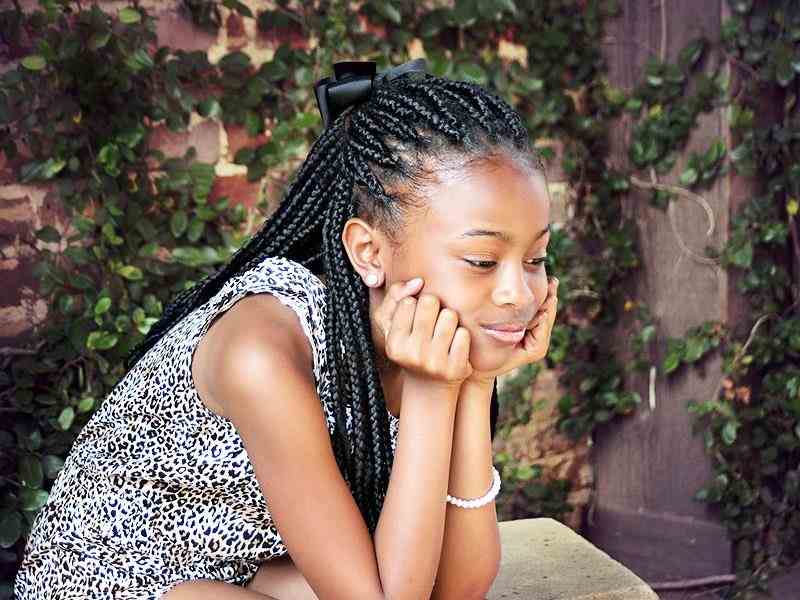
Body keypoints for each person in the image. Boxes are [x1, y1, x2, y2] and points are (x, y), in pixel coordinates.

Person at [14, 58, 558, 599]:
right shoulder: (264, 351)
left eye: (535, 258)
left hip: (238, 572)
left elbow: (458, 588)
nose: (519, 294)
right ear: (369, 252)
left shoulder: (424, 342)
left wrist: (475, 382)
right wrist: (434, 392)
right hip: (115, 583)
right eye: (482, 261)